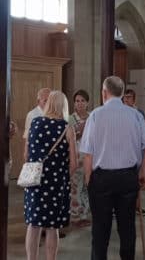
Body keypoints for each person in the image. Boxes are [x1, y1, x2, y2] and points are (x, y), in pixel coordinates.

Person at [80, 76, 145, 260]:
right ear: (122, 94)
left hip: (101, 178)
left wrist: (89, 179)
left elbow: (88, 153)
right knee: (127, 227)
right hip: (128, 177)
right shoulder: (136, 115)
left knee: (100, 229)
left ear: (104, 93)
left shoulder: (96, 115)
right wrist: (143, 173)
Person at [24, 91, 77, 260]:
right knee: (52, 227)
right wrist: (60, 176)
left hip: (34, 181)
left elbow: (26, 155)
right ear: (64, 106)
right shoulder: (67, 128)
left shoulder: (35, 123)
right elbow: (74, 163)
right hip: (56, 185)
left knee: (34, 225)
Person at [122, 88, 145, 216]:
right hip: (124, 150)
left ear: (134, 99)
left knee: (137, 180)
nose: (126, 99)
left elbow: (144, 134)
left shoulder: (140, 113)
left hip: (137, 149)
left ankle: (137, 206)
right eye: (125, 97)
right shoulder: (120, 112)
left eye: (129, 97)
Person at [68, 89, 91, 227]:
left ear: (87, 103)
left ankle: (84, 214)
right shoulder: (70, 118)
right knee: (75, 187)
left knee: (87, 186)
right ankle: (75, 216)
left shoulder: (92, 117)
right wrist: (79, 131)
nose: (80, 103)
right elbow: (67, 139)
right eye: (77, 101)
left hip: (89, 156)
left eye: (83, 100)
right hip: (76, 156)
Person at [23, 88, 51, 160]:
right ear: (38, 101)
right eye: (45, 100)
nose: (49, 103)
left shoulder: (54, 114)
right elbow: (27, 136)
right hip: (36, 152)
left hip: (51, 152)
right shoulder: (32, 115)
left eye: (50, 100)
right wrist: (26, 153)